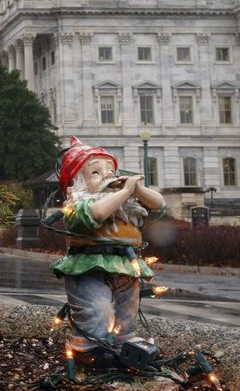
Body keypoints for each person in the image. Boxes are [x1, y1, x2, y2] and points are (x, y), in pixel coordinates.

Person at [50, 137, 166, 369]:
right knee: (97, 309)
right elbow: (96, 214)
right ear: (76, 185)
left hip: (125, 264)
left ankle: (124, 343)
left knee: (128, 308)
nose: (107, 176)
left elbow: (159, 205)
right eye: (95, 173)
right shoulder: (78, 204)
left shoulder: (128, 207)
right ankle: (89, 350)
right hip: (89, 265)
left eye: (111, 171)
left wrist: (138, 189)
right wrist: (125, 191)